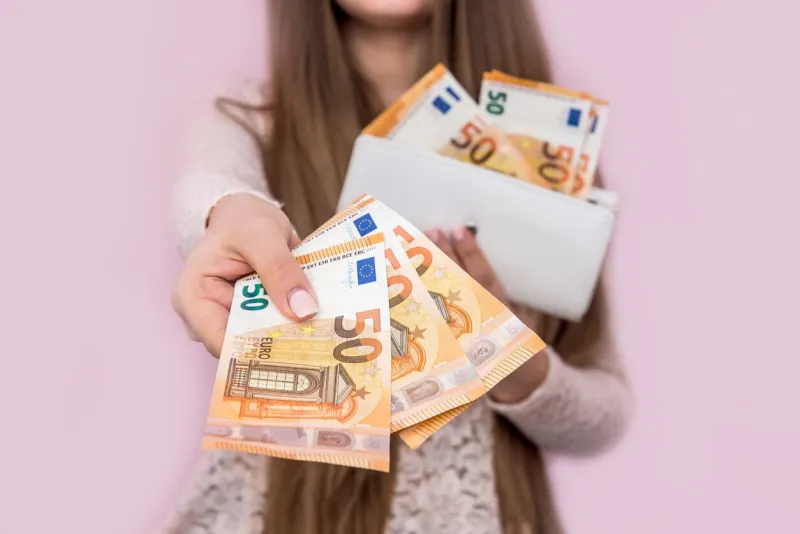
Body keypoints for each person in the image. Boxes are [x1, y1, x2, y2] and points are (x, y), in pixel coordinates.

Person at [167, 1, 632, 533]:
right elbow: (210, 188)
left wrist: (501, 350)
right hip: (286, 514)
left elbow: (606, 414)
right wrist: (227, 212)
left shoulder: (545, 153)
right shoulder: (246, 118)